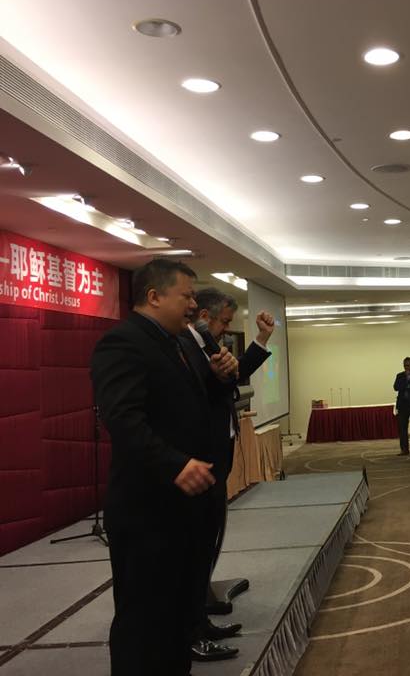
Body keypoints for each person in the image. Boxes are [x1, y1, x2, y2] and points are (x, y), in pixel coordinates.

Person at [90, 259, 238, 676]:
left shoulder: (178, 343)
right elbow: (122, 418)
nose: (193, 304)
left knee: (176, 616)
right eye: (186, 295)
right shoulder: (123, 342)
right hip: (147, 510)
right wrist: (174, 464)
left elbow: (195, 407)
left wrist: (220, 378)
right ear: (154, 296)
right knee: (144, 620)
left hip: (184, 506)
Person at [183, 288, 273, 661]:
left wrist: (261, 340)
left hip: (217, 456)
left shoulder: (205, 344)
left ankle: (201, 620)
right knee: (195, 548)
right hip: (198, 461)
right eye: (224, 322)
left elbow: (232, 377)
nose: (225, 330)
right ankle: (191, 629)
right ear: (203, 315)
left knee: (209, 541)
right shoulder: (185, 348)